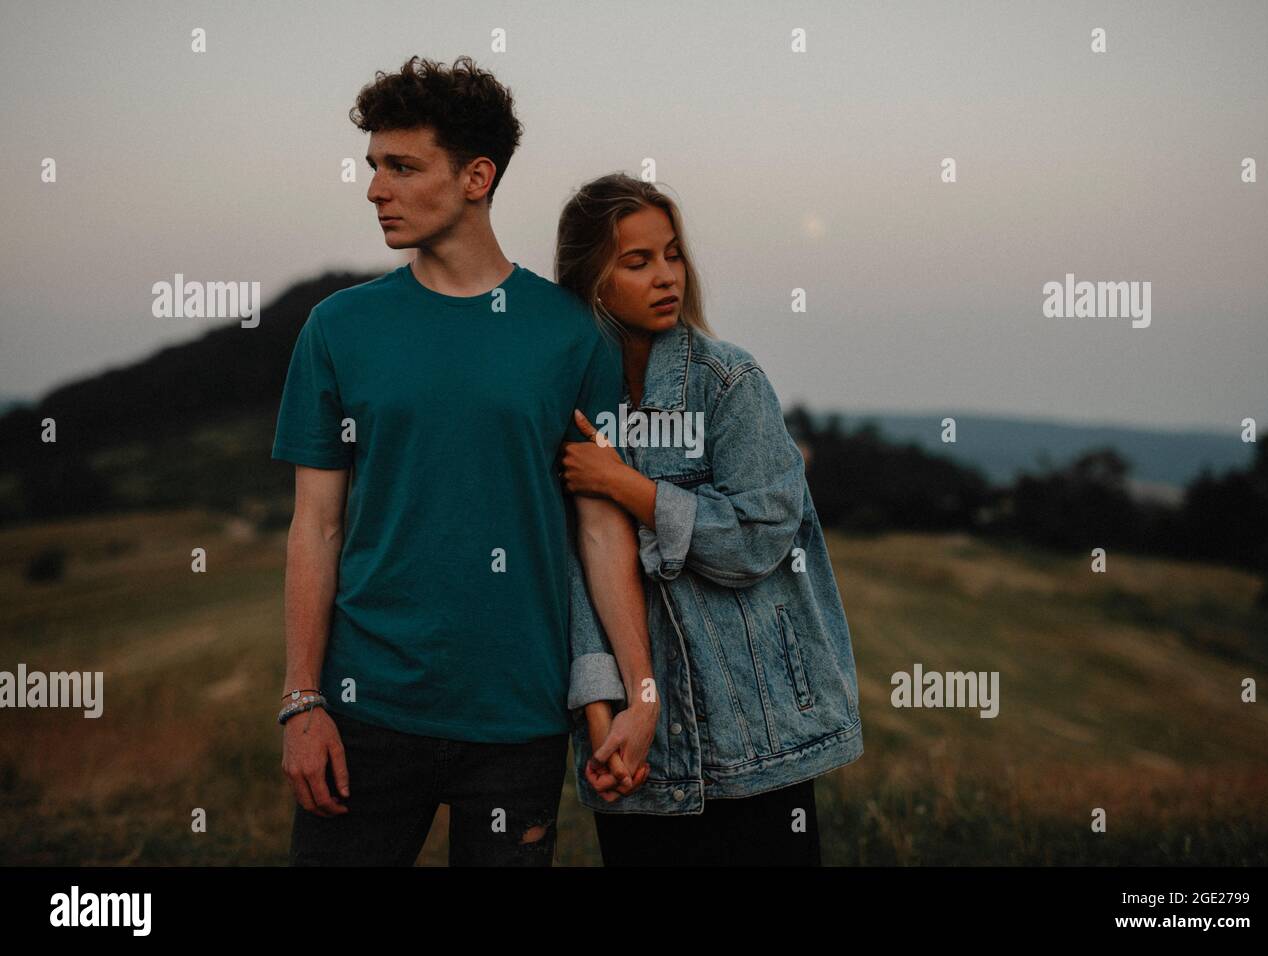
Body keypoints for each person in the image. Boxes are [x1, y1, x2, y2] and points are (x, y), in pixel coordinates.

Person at [271, 57, 653, 866]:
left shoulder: (570, 336)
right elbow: (316, 526)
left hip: (517, 718)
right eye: (373, 167)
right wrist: (302, 700)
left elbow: (601, 531)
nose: (376, 189)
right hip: (363, 710)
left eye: (402, 168)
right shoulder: (338, 329)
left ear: (477, 176)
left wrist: (637, 692)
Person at [557, 173, 864, 866]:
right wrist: (603, 720)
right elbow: (581, 571)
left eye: (672, 254)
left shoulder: (728, 381)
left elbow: (757, 539)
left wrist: (629, 486)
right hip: (640, 753)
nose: (667, 276)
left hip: (756, 741)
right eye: (638, 262)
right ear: (592, 282)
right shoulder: (574, 401)